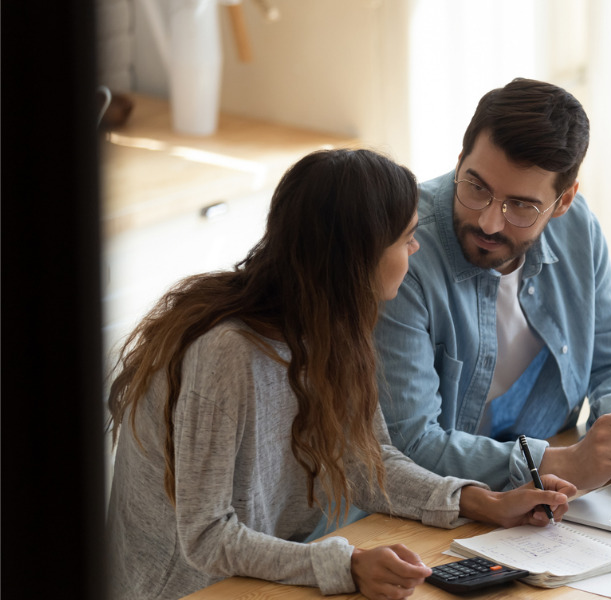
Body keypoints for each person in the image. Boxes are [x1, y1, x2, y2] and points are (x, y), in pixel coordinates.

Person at [105, 148, 575, 600]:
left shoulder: (335, 329)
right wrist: (345, 565)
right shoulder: (226, 353)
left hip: (260, 580)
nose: (416, 246)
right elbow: (206, 537)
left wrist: (483, 502)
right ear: (358, 256)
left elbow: (367, 465)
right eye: (405, 236)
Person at [376, 78, 611, 494]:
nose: (489, 222)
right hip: (444, 504)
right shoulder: (403, 251)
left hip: (550, 496)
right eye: (477, 187)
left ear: (563, 202)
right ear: (459, 162)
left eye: (521, 206)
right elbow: (410, 445)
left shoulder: (578, 227)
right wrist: (565, 463)